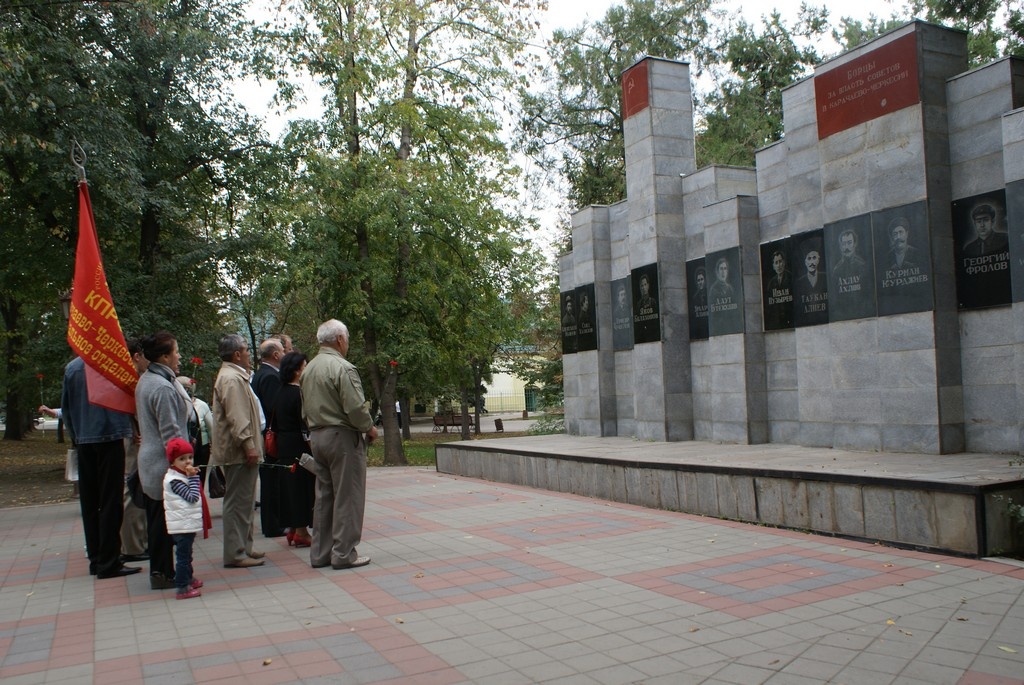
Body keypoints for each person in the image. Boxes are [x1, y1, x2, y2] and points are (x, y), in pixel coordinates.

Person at [301, 319, 377, 570]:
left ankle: (320, 554)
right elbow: (355, 407)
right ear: (340, 340)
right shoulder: (342, 367)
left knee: (324, 497)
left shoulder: (309, 368)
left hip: (317, 436)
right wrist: (369, 427)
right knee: (348, 495)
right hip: (342, 437)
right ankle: (343, 552)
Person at [60, 356, 139, 579]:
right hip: (110, 436)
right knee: (110, 501)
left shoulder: (72, 367)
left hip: (85, 438)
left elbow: (66, 407)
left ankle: (96, 558)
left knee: (90, 501)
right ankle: (109, 561)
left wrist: (76, 436)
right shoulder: (109, 362)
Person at [134, 331, 191, 589]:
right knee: (164, 522)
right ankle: (164, 573)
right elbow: (172, 434)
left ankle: (164, 571)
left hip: (151, 460)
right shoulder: (162, 386)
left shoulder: (148, 380)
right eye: (176, 351)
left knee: (158, 519)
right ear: (165, 357)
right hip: (162, 464)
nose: (179, 356)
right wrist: (184, 464)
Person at [211, 334, 265, 568]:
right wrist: (249, 445)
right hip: (239, 451)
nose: (249, 355)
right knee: (238, 502)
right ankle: (235, 552)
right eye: (246, 351)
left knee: (245, 502)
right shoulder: (232, 379)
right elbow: (237, 416)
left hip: (241, 450)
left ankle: (245, 547)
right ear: (236, 355)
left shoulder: (234, 376)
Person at [273, 351, 314, 548]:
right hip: (298, 447)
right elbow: (304, 424)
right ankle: (301, 531)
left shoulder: (279, 391)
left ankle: (291, 528)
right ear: (297, 371)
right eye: (305, 366)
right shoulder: (298, 394)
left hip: (283, 446)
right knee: (301, 489)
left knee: (288, 488)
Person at [163, 437, 204, 600]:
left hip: (186, 522)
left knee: (187, 554)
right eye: (182, 459)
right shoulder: (175, 480)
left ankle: (189, 578)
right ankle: (182, 587)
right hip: (181, 524)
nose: (187, 462)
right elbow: (192, 497)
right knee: (183, 556)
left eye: (190, 457)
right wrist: (194, 478)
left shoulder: (179, 476)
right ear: (173, 462)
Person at [252, 338, 285, 538]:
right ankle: (274, 524)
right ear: (275, 355)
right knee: (272, 482)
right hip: (271, 438)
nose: (284, 353)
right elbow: (275, 408)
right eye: (283, 350)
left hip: (265, 436)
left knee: (270, 481)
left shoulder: (260, 374)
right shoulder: (271, 377)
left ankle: (273, 522)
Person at [119, 338, 149, 563]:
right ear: (137, 356)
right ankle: (132, 546)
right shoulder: (126, 379)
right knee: (131, 488)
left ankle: (137, 541)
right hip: (131, 441)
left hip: (133, 439)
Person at [176, 376, 214, 489]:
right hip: (182, 448)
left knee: (198, 478)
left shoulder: (201, 405)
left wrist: (214, 446)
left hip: (201, 448)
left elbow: (211, 427)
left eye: (188, 388)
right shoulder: (176, 404)